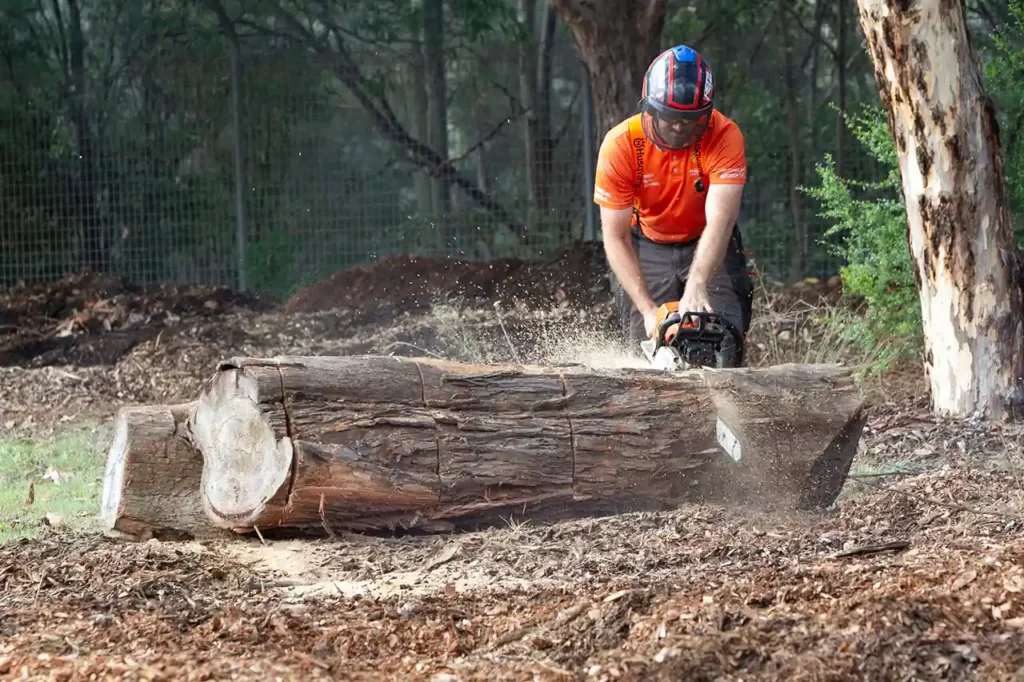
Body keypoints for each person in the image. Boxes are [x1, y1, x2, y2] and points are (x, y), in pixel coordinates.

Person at [593, 44, 754, 367]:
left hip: (708, 239)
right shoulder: (621, 145)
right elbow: (615, 237)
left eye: (691, 119)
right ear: (649, 108)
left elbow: (721, 221)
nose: (679, 126)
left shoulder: (724, 135)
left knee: (724, 336)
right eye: (669, 117)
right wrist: (647, 310)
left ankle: (727, 394)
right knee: (647, 348)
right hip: (645, 241)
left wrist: (697, 284)